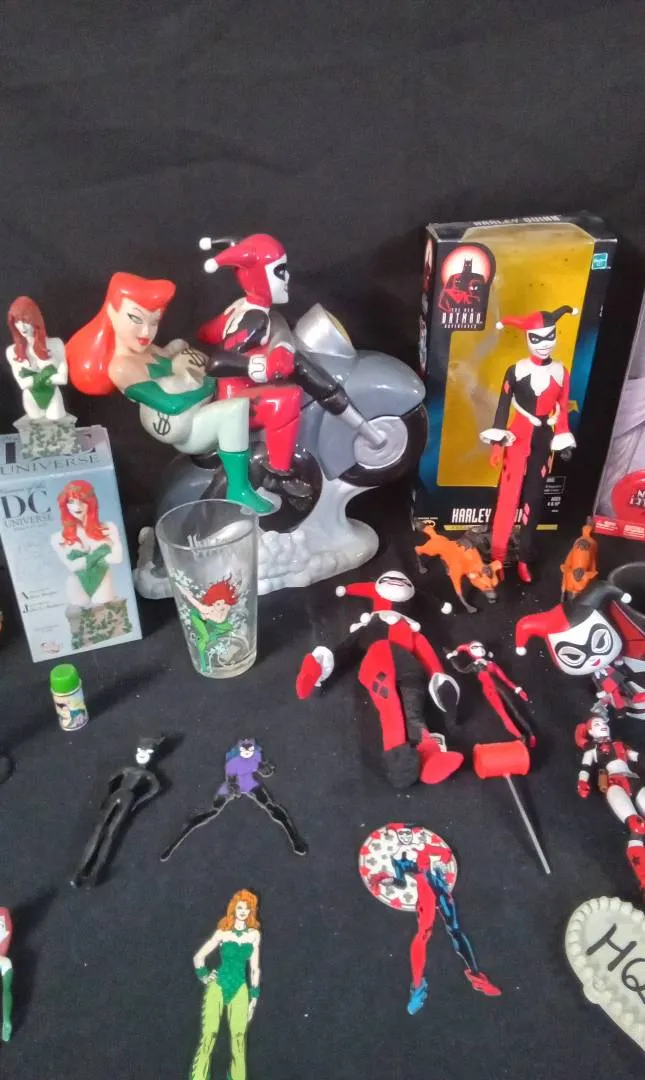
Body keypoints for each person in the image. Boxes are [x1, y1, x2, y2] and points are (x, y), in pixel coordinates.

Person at [66, 272, 271, 513]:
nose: (146, 332)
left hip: (198, 405)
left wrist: (180, 352)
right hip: (183, 426)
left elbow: (170, 357)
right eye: (136, 319)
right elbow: (170, 404)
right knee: (235, 409)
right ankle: (239, 488)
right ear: (112, 311)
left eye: (154, 322)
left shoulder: (146, 349)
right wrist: (208, 382)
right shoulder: (122, 367)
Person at [480, 305, 578, 582]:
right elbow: (503, 406)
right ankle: (498, 557)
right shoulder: (516, 370)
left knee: (533, 499)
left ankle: (524, 557)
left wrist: (563, 439)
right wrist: (497, 444)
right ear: (527, 338)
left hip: (544, 439)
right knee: (508, 497)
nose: (544, 343)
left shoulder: (561, 372)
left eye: (550, 336)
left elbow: (562, 408)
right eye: (537, 338)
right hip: (517, 437)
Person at [190, 891, 261, 1080]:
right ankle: (198, 1077)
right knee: (209, 1035)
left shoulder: (254, 935)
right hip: (218, 986)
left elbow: (255, 969)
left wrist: (254, 998)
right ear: (233, 909)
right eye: (240, 907)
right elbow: (198, 957)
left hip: (240, 989)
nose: (243, 911)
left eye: (247, 908)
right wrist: (205, 976)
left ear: (251, 911)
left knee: (239, 1039)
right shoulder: (223, 932)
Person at [51, 480, 123, 607]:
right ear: (65, 505)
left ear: (91, 502)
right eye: (71, 501)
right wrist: (100, 553)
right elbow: (73, 566)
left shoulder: (109, 527)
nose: (77, 506)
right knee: (78, 613)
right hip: (76, 583)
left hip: (103, 580)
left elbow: (117, 559)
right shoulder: (58, 538)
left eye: (82, 500)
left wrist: (86, 559)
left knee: (106, 612)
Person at [6, 296, 69, 421]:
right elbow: (22, 384)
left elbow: (63, 379)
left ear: (35, 320)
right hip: (30, 398)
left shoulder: (55, 344)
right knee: (35, 429)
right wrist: (48, 376)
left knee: (57, 427)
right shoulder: (12, 352)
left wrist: (33, 378)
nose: (22, 327)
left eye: (25, 321)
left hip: (52, 395)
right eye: (17, 322)